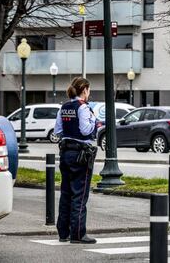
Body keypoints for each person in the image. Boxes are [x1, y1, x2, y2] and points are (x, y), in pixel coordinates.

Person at [54, 77, 98, 244]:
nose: (89, 93)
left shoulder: (64, 107)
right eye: (89, 90)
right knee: (79, 195)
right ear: (84, 90)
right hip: (81, 154)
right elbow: (85, 130)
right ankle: (78, 233)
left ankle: (63, 232)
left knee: (66, 193)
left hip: (66, 152)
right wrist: (94, 119)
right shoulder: (83, 107)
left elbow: (58, 130)